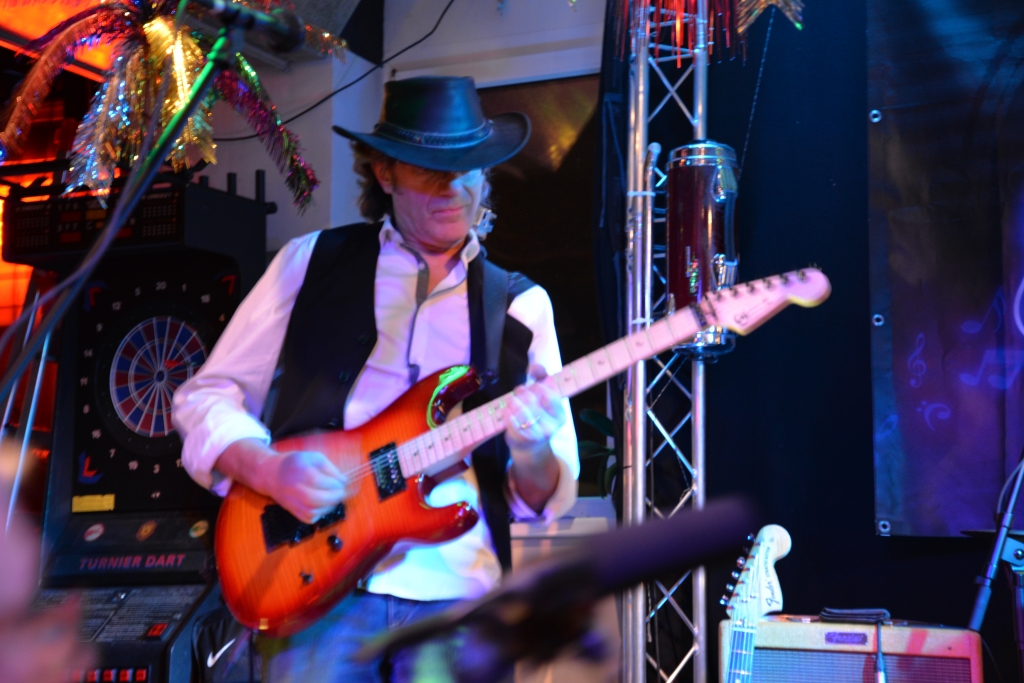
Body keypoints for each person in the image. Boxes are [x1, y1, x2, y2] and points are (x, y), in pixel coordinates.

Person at [172, 76, 579, 682]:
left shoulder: (520, 307)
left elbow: (542, 498)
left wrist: (532, 448)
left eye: (468, 168)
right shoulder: (310, 263)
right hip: (313, 580)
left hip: (459, 598)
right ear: (384, 173)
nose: (455, 187)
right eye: (431, 170)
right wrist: (267, 469)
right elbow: (205, 396)